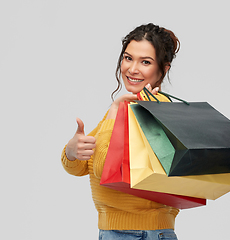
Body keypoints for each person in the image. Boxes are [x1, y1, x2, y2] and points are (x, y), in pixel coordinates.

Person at [61, 23, 181, 240]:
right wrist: (72, 151)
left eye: (145, 62)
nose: (132, 69)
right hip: (134, 233)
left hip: (137, 234)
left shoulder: (153, 111)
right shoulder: (132, 106)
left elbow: (102, 169)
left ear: (163, 69)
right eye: (128, 58)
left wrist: (114, 112)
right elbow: (81, 166)